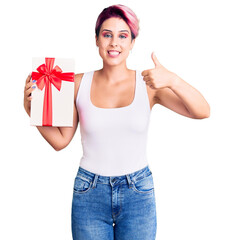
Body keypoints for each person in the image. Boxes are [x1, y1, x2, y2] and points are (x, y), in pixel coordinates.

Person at [23, 4, 210, 240]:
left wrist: (172, 80)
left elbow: (203, 111)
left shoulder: (149, 85)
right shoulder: (76, 83)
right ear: (96, 39)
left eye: (123, 36)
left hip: (138, 193)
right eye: (107, 34)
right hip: (89, 192)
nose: (114, 43)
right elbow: (61, 140)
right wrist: (30, 108)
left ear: (132, 42)